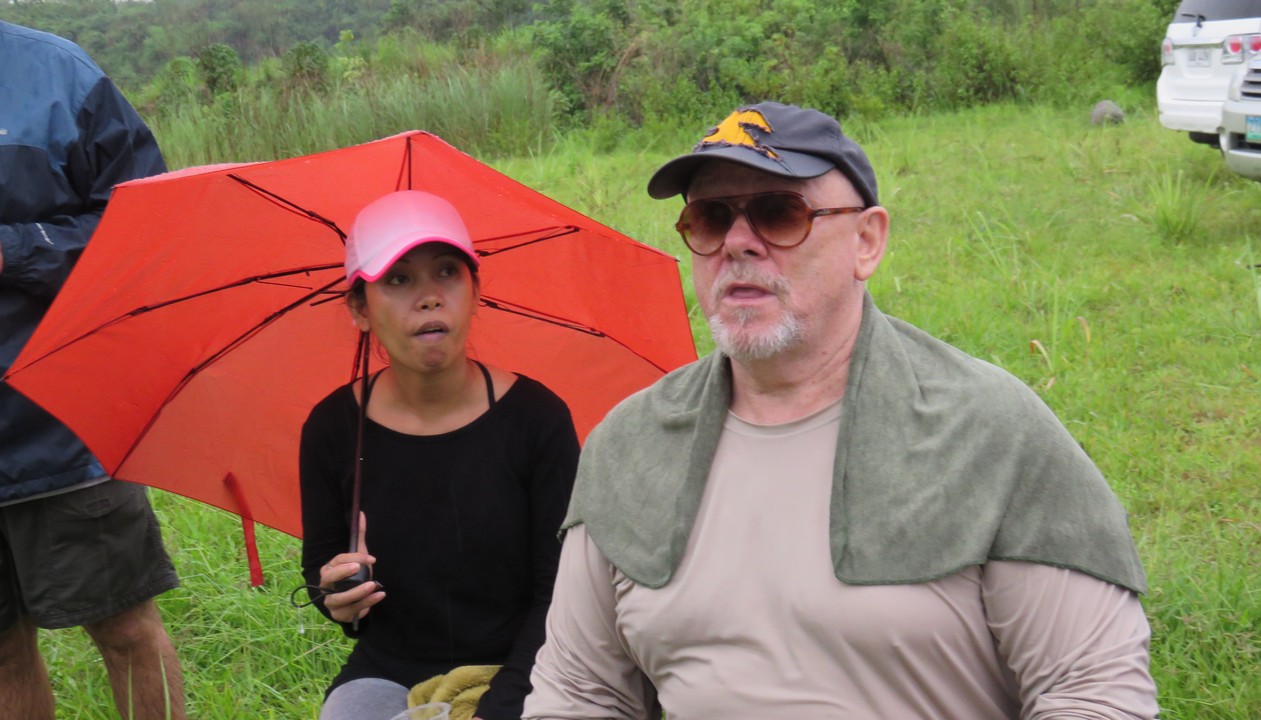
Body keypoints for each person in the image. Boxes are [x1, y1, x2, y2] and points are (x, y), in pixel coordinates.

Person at [523, 102, 1159, 719]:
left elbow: (1092, 693)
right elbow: (580, 692)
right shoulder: (630, 444)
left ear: (867, 241)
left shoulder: (990, 430)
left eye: (779, 213)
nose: (738, 243)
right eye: (711, 218)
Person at [300, 190, 580, 720]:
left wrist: (497, 707)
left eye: (447, 272)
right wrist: (336, 594)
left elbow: (562, 591)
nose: (429, 298)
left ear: (476, 292)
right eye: (398, 280)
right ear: (360, 308)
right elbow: (322, 564)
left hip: (533, 664)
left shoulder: (537, 420)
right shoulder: (332, 429)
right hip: (390, 669)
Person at [0, 21, 186, 720]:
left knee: (125, 629)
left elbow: (149, 226)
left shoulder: (58, 74)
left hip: (61, 422)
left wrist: (16, 249)